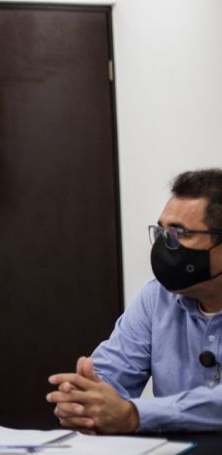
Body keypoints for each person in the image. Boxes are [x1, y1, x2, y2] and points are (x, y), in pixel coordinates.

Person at [47, 168, 222, 434]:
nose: (165, 245)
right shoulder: (157, 298)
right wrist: (86, 400)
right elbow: (113, 372)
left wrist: (134, 415)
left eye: (179, 233)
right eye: (162, 231)